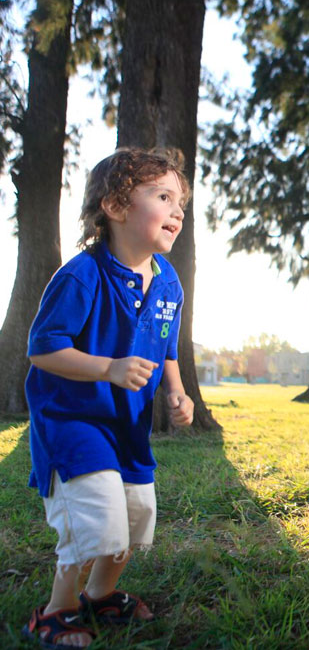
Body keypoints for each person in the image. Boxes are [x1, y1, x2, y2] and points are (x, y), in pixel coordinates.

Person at [22, 148, 194, 650]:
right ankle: (55, 612)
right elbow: (43, 349)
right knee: (97, 517)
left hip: (128, 426)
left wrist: (177, 391)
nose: (178, 211)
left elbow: (166, 347)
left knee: (135, 518)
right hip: (73, 421)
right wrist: (109, 368)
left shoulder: (168, 282)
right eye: (163, 197)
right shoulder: (82, 275)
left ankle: (99, 596)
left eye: (180, 202)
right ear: (116, 207)